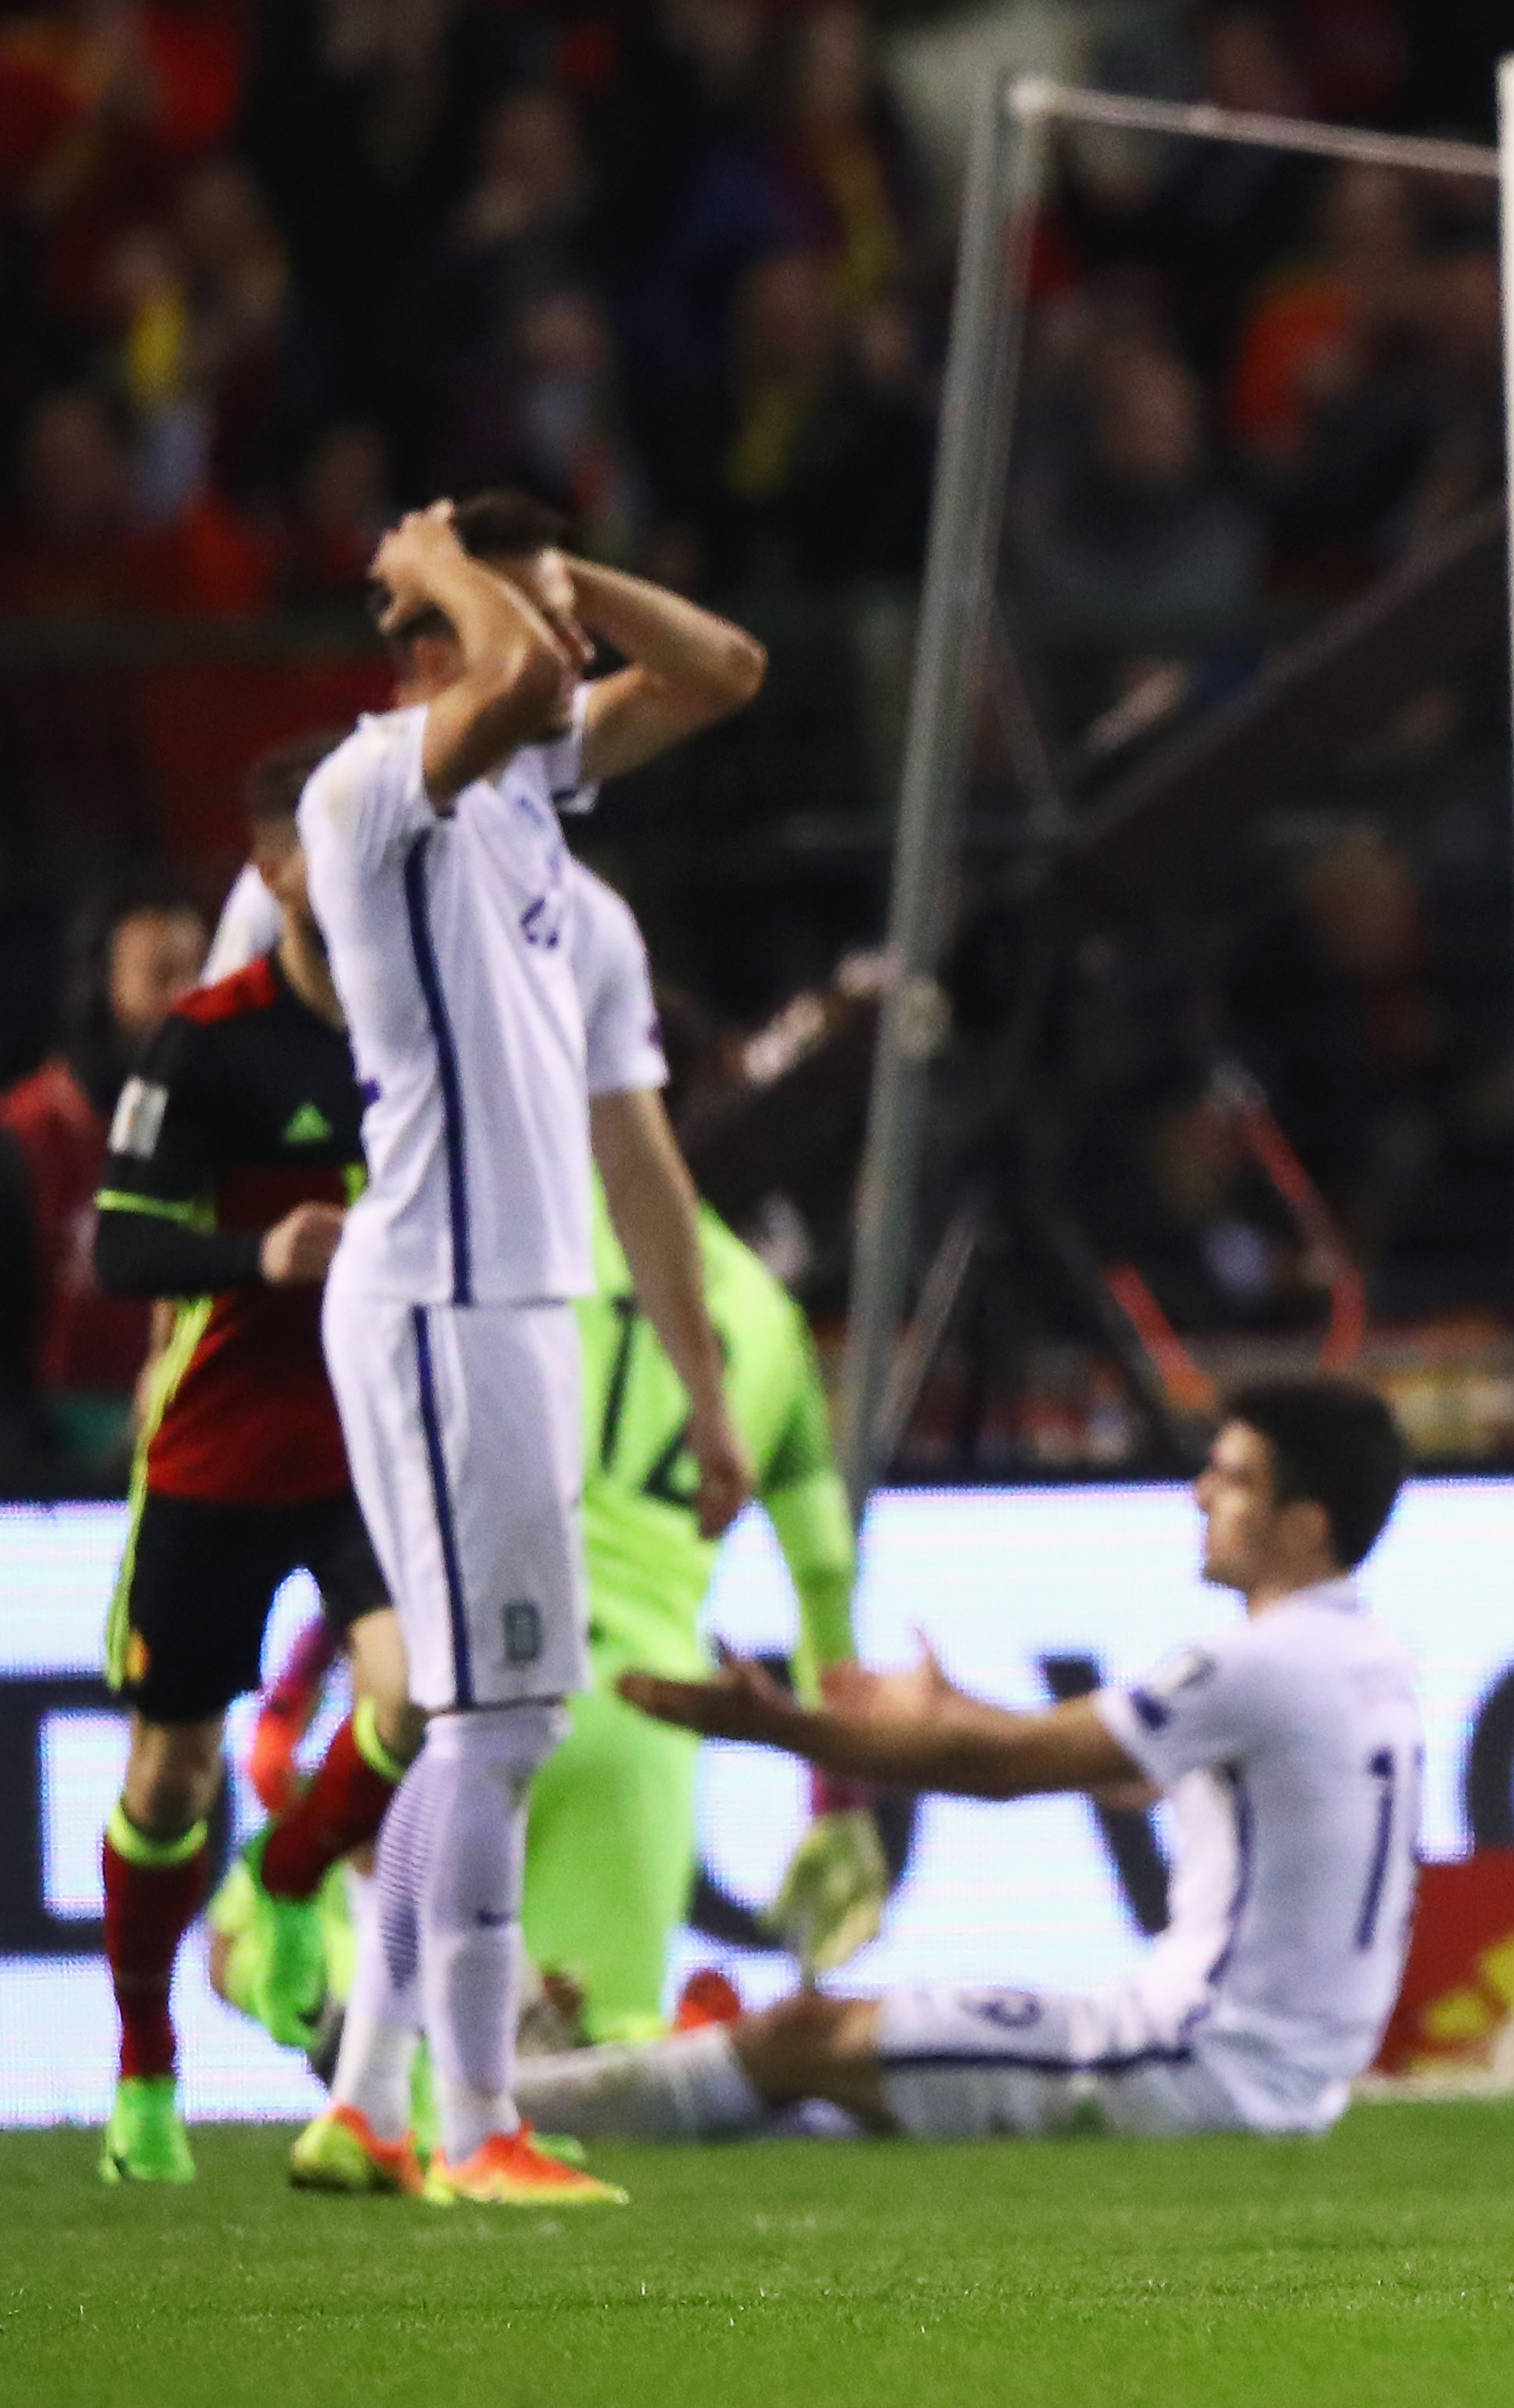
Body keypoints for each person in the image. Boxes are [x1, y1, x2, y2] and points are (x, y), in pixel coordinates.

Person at [282, 492, 766, 2209]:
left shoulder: (524, 793)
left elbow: (722, 668)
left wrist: (549, 572)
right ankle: (478, 2125)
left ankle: (361, 2102)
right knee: (503, 1719)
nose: (578, 653)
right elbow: (509, 673)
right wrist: (440, 569)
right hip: (442, 1299)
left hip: (502, 1305)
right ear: (430, 635)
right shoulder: (377, 785)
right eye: (541, 624)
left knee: (477, 1722)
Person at [513, 1379, 1421, 2146]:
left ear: (1305, 1526)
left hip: (1189, 2066)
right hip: (1278, 2077)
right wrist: (951, 1713)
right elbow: (1128, 1774)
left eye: (1233, 1479)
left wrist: (778, 1726)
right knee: (828, 2082)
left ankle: (486, 2120)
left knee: (804, 2036)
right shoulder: (1363, 1655)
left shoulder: (1252, 1666)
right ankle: (557, 2101)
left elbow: (1010, 1769)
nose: (1198, 1496)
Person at [83, 733, 410, 2181]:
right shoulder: (208, 1039)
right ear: (277, 868)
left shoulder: (418, 1026)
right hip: (219, 1447)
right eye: (322, 846)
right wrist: (253, 1252)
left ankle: (284, 1879)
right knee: (172, 1773)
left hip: (365, 1445)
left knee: (422, 1699)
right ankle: (145, 2060)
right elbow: (116, 1245)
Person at [529, 865, 879, 2044]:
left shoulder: (517, 1228)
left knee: (371, 2012)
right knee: (603, 2064)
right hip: (646, 1710)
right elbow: (826, 1575)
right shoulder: (767, 1315)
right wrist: (840, 1803)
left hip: (470, 1672)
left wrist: (302, 1677)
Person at [6, 876, 213, 1470]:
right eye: (161, 974)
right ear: (99, 991)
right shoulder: (24, 1140)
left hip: (198, 1445)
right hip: (52, 1473)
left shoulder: (219, 1136)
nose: (189, 997)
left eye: (199, 970)